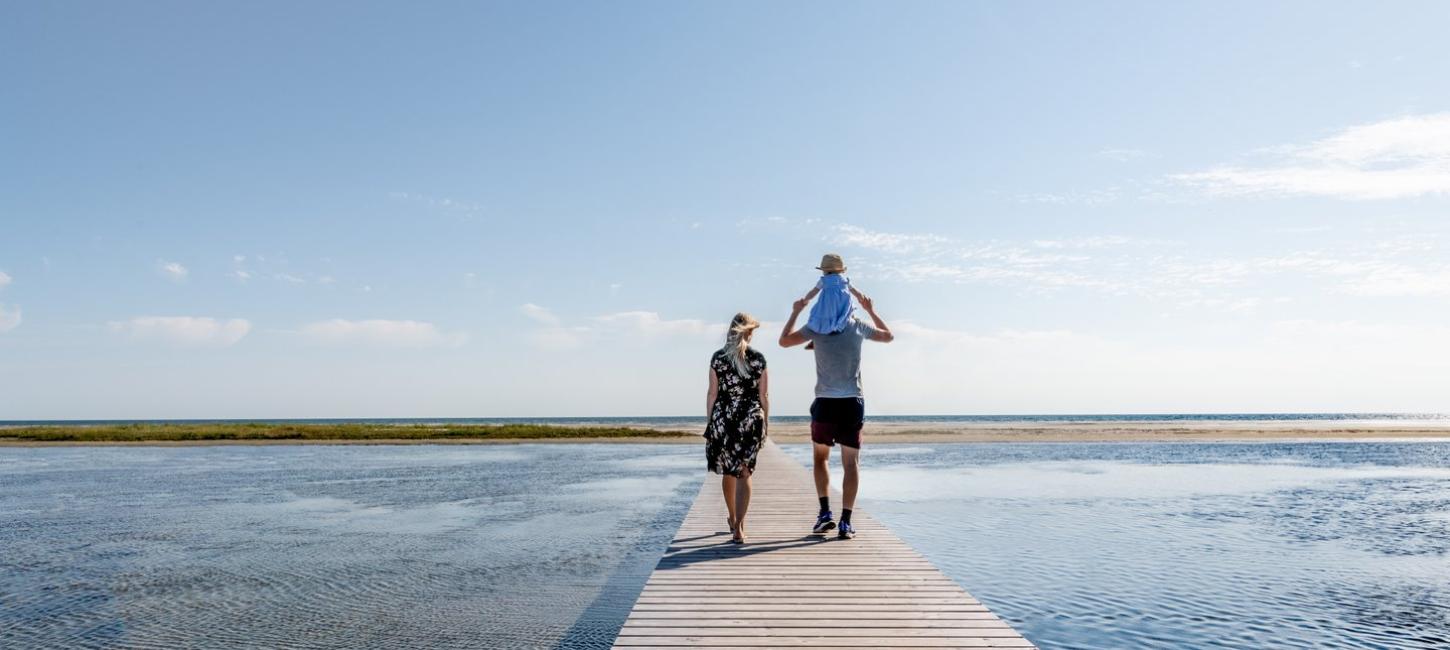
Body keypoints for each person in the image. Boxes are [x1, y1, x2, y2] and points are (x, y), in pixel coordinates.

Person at [778, 279, 892, 540]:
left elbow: (784, 341)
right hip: (852, 401)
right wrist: (871, 309)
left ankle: (825, 514)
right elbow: (888, 336)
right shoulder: (857, 326)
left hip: (825, 402)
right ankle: (845, 522)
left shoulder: (815, 328)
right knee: (851, 464)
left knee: (821, 458)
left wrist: (797, 309)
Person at [704, 312, 770, 544]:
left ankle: (732, 518)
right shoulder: (759, 359)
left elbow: (713, 393)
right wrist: (766, 421)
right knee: (744, 471)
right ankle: (740, 527)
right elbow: (763, 395)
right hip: (751, 419)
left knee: (729, 470)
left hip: (725, 418)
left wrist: (711, 423)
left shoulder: (718, 358)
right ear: (748, 331)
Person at [799, 253, 863, 349]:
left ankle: (816, 340)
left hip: (829, 306)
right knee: (845, 317)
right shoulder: (845, 280)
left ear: (825, 270)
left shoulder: (824, 280)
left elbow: (814, 291)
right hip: (843, 305)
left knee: (819, 320)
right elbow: (855, 291)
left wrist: (805, 300)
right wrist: (861, 297)